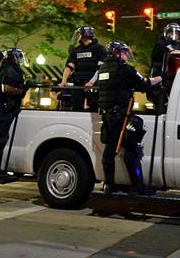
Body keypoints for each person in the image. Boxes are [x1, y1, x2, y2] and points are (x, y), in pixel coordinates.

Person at [95, 41, 162, 195]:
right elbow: (144, 83)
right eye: (124, 52)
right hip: (121, 117)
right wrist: (160, 79)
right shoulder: (124, 69)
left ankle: (109, 185)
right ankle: (138, 186)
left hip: (107, 116)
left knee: (109, 151)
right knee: (131, 150)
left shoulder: (103, 69)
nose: (126, 55)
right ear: (116, 53)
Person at [0, 48, 33, 179]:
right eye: (19, 57)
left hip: (3, 107)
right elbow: (6, 88)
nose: (20, 60)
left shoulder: (9, 68)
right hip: (2, 108)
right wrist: (23, 89)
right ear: (14, 57)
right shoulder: (9, 69)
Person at [60, 26, 107, 111]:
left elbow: (102, 68)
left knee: (93, 108)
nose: (77, 37)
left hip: (93, 85)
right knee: (76, 107)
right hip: (78, 84)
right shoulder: (76, 50)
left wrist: (91, 82)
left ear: (84, 36)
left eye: (79, 35)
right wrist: (64, 80)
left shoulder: (99, 48)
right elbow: (69, 66)